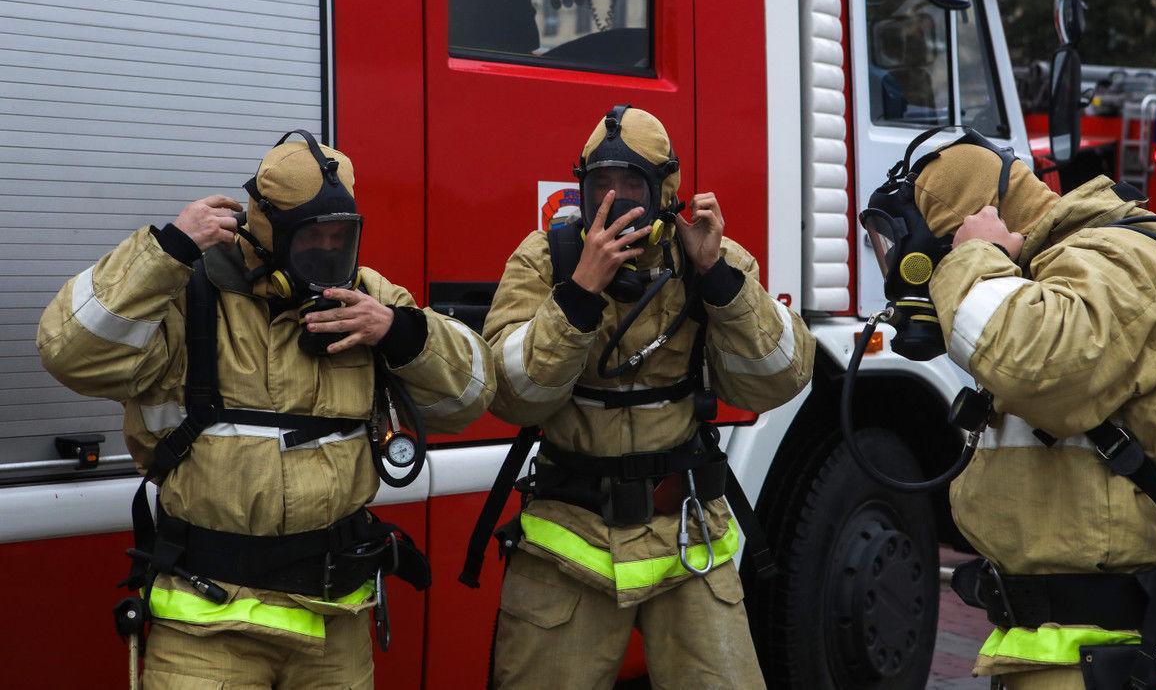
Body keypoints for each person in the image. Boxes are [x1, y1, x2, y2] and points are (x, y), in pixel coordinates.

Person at [37, 131, 494, 688]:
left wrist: (397, 330)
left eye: (340, 237)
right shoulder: (189, 297)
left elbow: (471, 395)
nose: (327, 253)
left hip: (336, 626)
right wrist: (169, 251)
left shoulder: (368, 299)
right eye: (310, 238)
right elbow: (70, 354)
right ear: (266, 233)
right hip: (207, 630)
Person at [481, 105, 815, 688]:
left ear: (666, 192)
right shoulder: (546, 259)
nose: (613, 201)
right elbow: (511, 394)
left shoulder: (706, 258)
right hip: (570, 542)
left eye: (630, 185)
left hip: (688, 536)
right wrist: (580, 293)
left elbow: (781, 377)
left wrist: (717, 277)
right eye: (599, 185)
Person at [912, 142, 1156, 689]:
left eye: (947, 243)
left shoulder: (1117, 257)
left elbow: (1036, 366)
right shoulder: (1049, 276)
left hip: (1127, 645)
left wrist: (973, 257)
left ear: (976, 219)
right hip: (1067, 646)